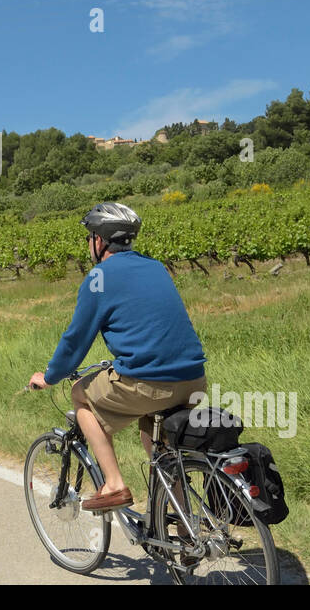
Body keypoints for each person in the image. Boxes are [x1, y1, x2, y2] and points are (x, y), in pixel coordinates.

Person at [28, 203, 208, 512]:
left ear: (99, 241)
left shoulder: (99, 278)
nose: (88, 244)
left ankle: (113, 484)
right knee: (159, 442)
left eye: (89, 237)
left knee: (80, 395)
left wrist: (48, 377)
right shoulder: (156, 267)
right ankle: (181, 525)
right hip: (193, 379)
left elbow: (75, 340)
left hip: (147, 383)